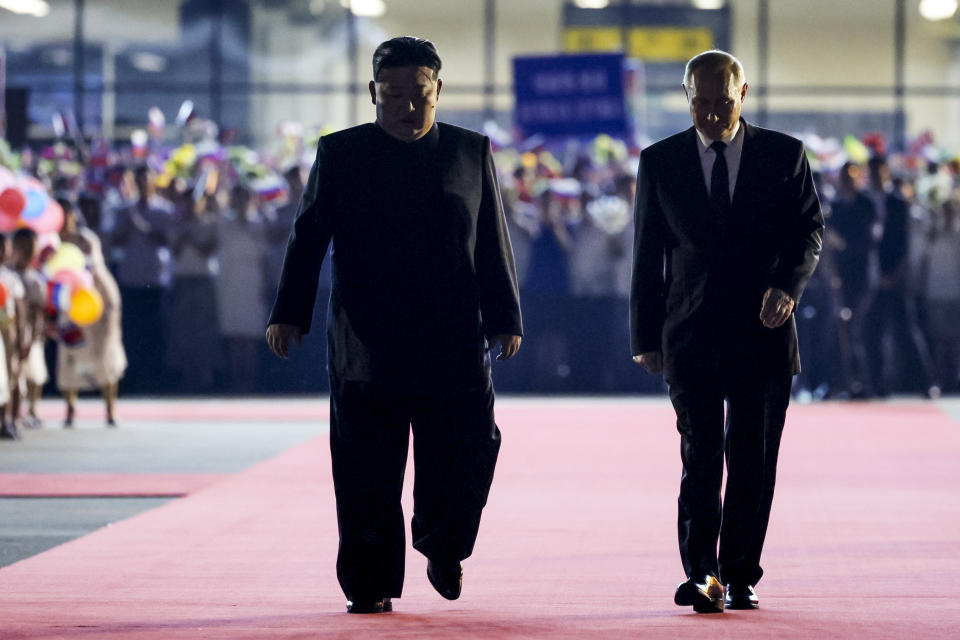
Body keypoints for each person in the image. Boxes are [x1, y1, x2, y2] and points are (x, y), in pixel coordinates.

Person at [266, 36, 522, 614]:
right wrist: (289, 312)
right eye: (394, 95)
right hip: (366, 338)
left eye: (420, 95)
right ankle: (368, 581)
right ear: (373, 94)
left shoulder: (468, 151)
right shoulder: (341, 154)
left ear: (438, 91)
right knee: (366, 465)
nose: (408, 107)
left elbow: (491, 242)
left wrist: (505, 317)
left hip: (454, 336)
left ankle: (443, 542)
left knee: (471, 447)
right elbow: (307, 238)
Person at [630, 50, 824, 613]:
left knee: (753, 460)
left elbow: (809, 230)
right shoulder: (660, 161)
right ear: (687, 97)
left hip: (763, 332)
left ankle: (740, 572)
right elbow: (646, 255)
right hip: (688, 332)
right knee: (700, 457)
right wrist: (645, 336)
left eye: (722, 102)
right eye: (700, 102)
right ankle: (701, 574)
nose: (712, 114)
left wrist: (788, 286)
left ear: (743, 94)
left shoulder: (785, 156)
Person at [56, 200, 127, 426]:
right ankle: (69, 409)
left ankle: (110, 409)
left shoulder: (86, 239)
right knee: (69, 355)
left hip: (96, 299)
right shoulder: (51, 242)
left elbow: (94, 269)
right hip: (69, 304)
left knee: (104, 353)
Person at [9, 228, 47, 429]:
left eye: (32, 247)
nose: (28, 251)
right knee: (13, 376)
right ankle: (12, 413)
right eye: (23, 246)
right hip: (9, 334)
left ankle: (32, 409)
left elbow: (38, 313)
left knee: (34, 373)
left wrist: (34, 336)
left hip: (29, 334)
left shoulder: (36, 280)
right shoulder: (7, 275)